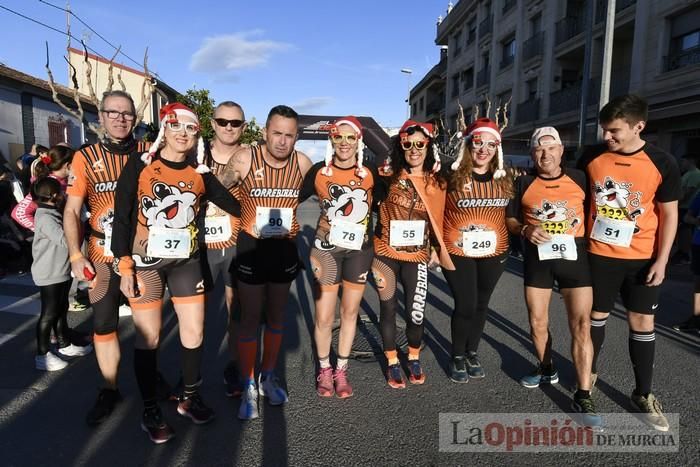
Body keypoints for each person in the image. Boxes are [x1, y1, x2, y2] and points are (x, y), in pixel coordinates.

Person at [112, 102, 241, 443]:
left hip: (186, 262)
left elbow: (233, 204)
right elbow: (122, 217)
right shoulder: (140, 166)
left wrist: (270, 215)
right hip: (145, 262)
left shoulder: (201, 174)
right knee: (149, 337)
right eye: (176, 126)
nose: (183, 134)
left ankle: (189, 397)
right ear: (163, 129)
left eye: (191, 129)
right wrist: (123, 263)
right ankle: (151, 408)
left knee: (194, 332)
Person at [64, 90, 171, 426]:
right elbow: (71, 210)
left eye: (127, 113)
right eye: (113, 112)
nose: (121, 119)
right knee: (104, 326)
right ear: (102, 116)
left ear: (135, 119)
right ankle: (109, 388)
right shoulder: (85, 157)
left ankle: (149, 378)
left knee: (147, 329)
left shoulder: (149, 153)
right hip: (100, 252)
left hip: (141, 254)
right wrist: (74, 253)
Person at [577, 94, 680, 432]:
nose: (607, 137)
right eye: (605, 130)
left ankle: (644, 394)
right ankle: (588, 372)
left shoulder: (662, 162)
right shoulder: (592, 156)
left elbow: (669, 215)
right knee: (595, 317)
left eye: (614, 131)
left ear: (639, 126)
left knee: (642, 323)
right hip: (598, 255)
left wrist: (662, 261)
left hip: (641, 259)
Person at [221, 105, 312, 420]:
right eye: (277, 133)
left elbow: (330, 190)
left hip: (285, 248)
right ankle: (247, 382)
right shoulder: (246, 158)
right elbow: (218, 188)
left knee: (276, 316)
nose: (283, 141)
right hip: (252, 247)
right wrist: (242, 210)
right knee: (249, 319)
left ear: (296, 137)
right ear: (264, 132)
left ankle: (267, 376)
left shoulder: (302, 163)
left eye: (289, 135)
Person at [506, 127, 600, 426]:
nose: (545, 154)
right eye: (539, 149)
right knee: (537, 321)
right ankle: (547, 368)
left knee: (582, 325)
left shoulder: (582, 177)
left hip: (576, 260)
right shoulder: (523, 182)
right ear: (532, 153)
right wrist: (525, 229)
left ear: (561, 150)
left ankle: (584, 393)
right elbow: (510, 219)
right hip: (539, 262)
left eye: (551, 148)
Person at [299, 116, 386, 398]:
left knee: (350, 313)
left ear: (359, 140)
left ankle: (341, 370)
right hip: (325, 249)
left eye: (351, 137)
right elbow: (289, 200)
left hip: (359, 250)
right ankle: (324, 369)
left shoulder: (370, 172)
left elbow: (389, 201)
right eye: (339, 136)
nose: (344, 143)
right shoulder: (319, 172)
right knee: (325, 316)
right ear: (331, 139)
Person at [371, 119, 452, 389]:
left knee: (416, 313)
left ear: (428, 147)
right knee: (388, 308)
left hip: (416, 255)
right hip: (385, 252)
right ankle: (392, 360)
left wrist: (438, 250)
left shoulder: (437, 182)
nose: (414, 149)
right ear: (400, 146)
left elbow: (441, 219)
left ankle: (413, 357)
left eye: (420, 144)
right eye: (408, 144)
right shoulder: (386, 174)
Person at [442, 118, 513, 383]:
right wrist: (435, 248)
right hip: (457, 249)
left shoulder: (506, 176)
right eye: (478, 143)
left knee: (482, 304)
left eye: (491, 144)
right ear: (468, 145)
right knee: (466, 303)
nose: (484, 149)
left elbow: (513, 214)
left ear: (498, 148)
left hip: (495, 252)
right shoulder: (449, 175)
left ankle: (472, 352)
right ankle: (457, 355)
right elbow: (435, 211)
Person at [200, 101, 248, 398]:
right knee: (195, 315)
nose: (228, 127)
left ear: (243, 127)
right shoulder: (195, 152)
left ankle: (233, 367)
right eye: (222, 121)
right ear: (213, 123)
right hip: (199, 245)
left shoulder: (250, 157)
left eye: (235, 123)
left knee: (236, 313)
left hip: (235, 244)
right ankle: (189, 374)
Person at [31, 176, 93, 370]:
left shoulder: (52, 212)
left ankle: (64, 344)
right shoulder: (44, 216)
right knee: (48, 313)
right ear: (55, 195)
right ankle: (42, 354)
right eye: (62, 193)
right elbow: (64, 240)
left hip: (60, 270)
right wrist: (78, 223)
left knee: (61, 308)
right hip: (49, 273)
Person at [11, 146, 72, 231]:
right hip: (57, 241)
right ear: (67, 165)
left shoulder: (66, 181)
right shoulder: (48, 185)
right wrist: (44, 231)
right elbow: (19, 213)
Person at [673, 191, 700, 334]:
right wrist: (696, 221)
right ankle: (696, 319)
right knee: (697, 283)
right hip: (698, 243)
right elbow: (688, 216)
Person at [673, 154, 700, 264]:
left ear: (691, 161)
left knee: (685, 231)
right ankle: (681, 252)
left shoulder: (695, 174)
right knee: (680, 231)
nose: (682, 164)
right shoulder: (687, 174)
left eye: (683, 161)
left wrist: (675, 204)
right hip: (681, 206)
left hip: (687, 207)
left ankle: (685, 255)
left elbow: (689, 192)